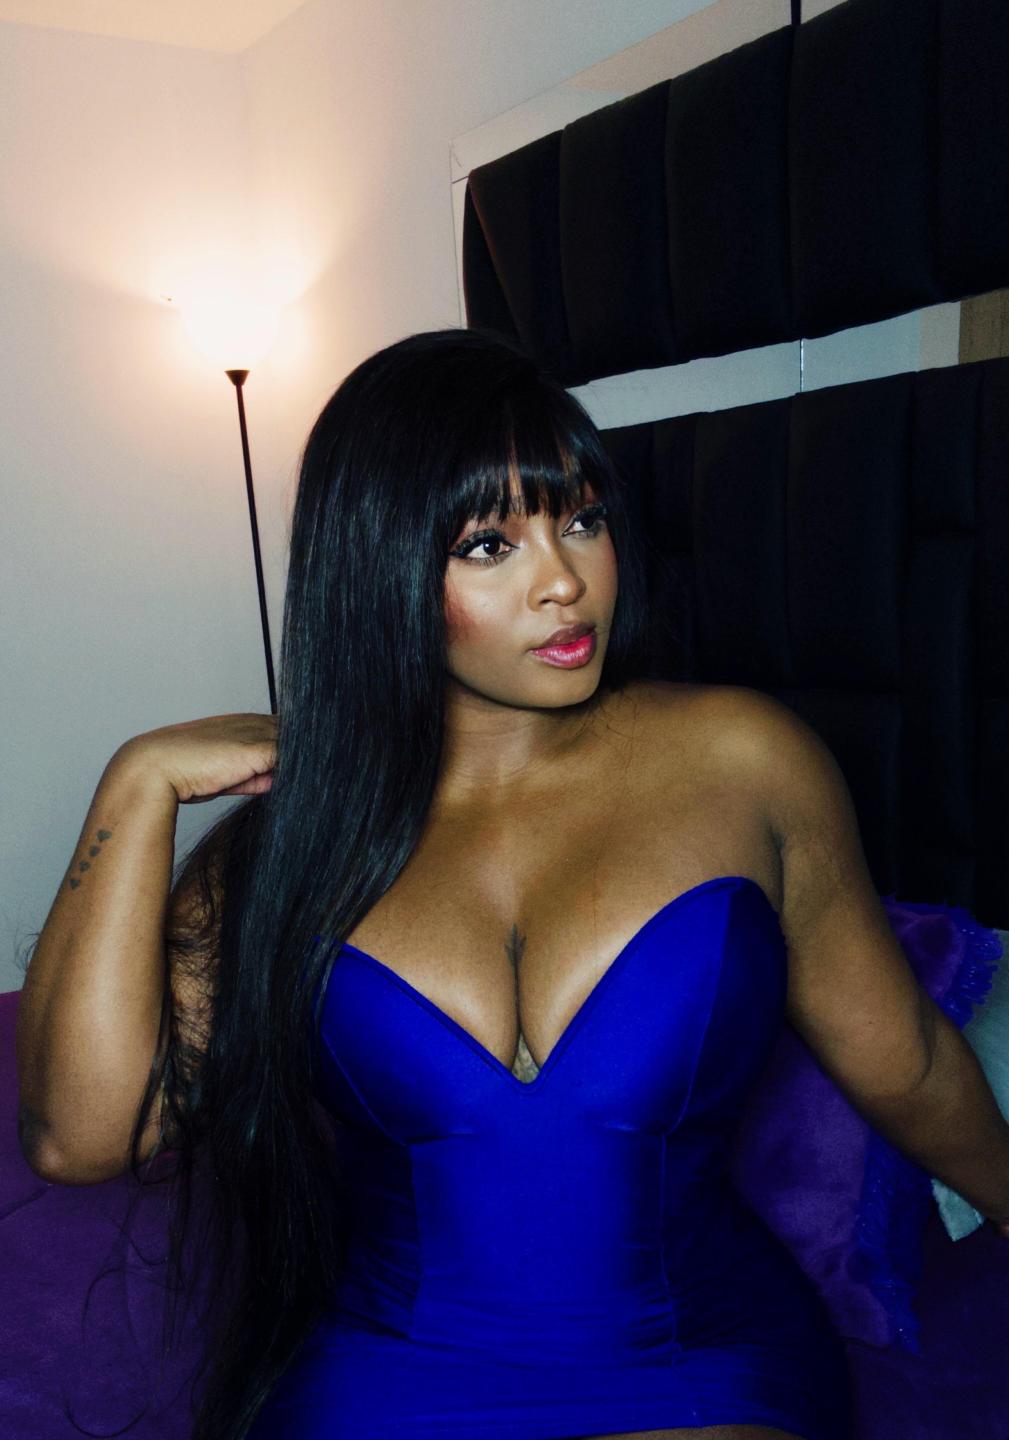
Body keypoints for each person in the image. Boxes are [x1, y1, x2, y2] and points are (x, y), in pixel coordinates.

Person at [19, 326, 1009, 1440]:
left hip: (694, 1357)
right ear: (380, 567)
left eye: (581, 519)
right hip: (388, 1369)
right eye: (489, 545)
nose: (564, 581)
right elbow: (80, 1139)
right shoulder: (290, 850)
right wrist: (137, 781)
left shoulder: (742, 762)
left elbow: (904, 1058)